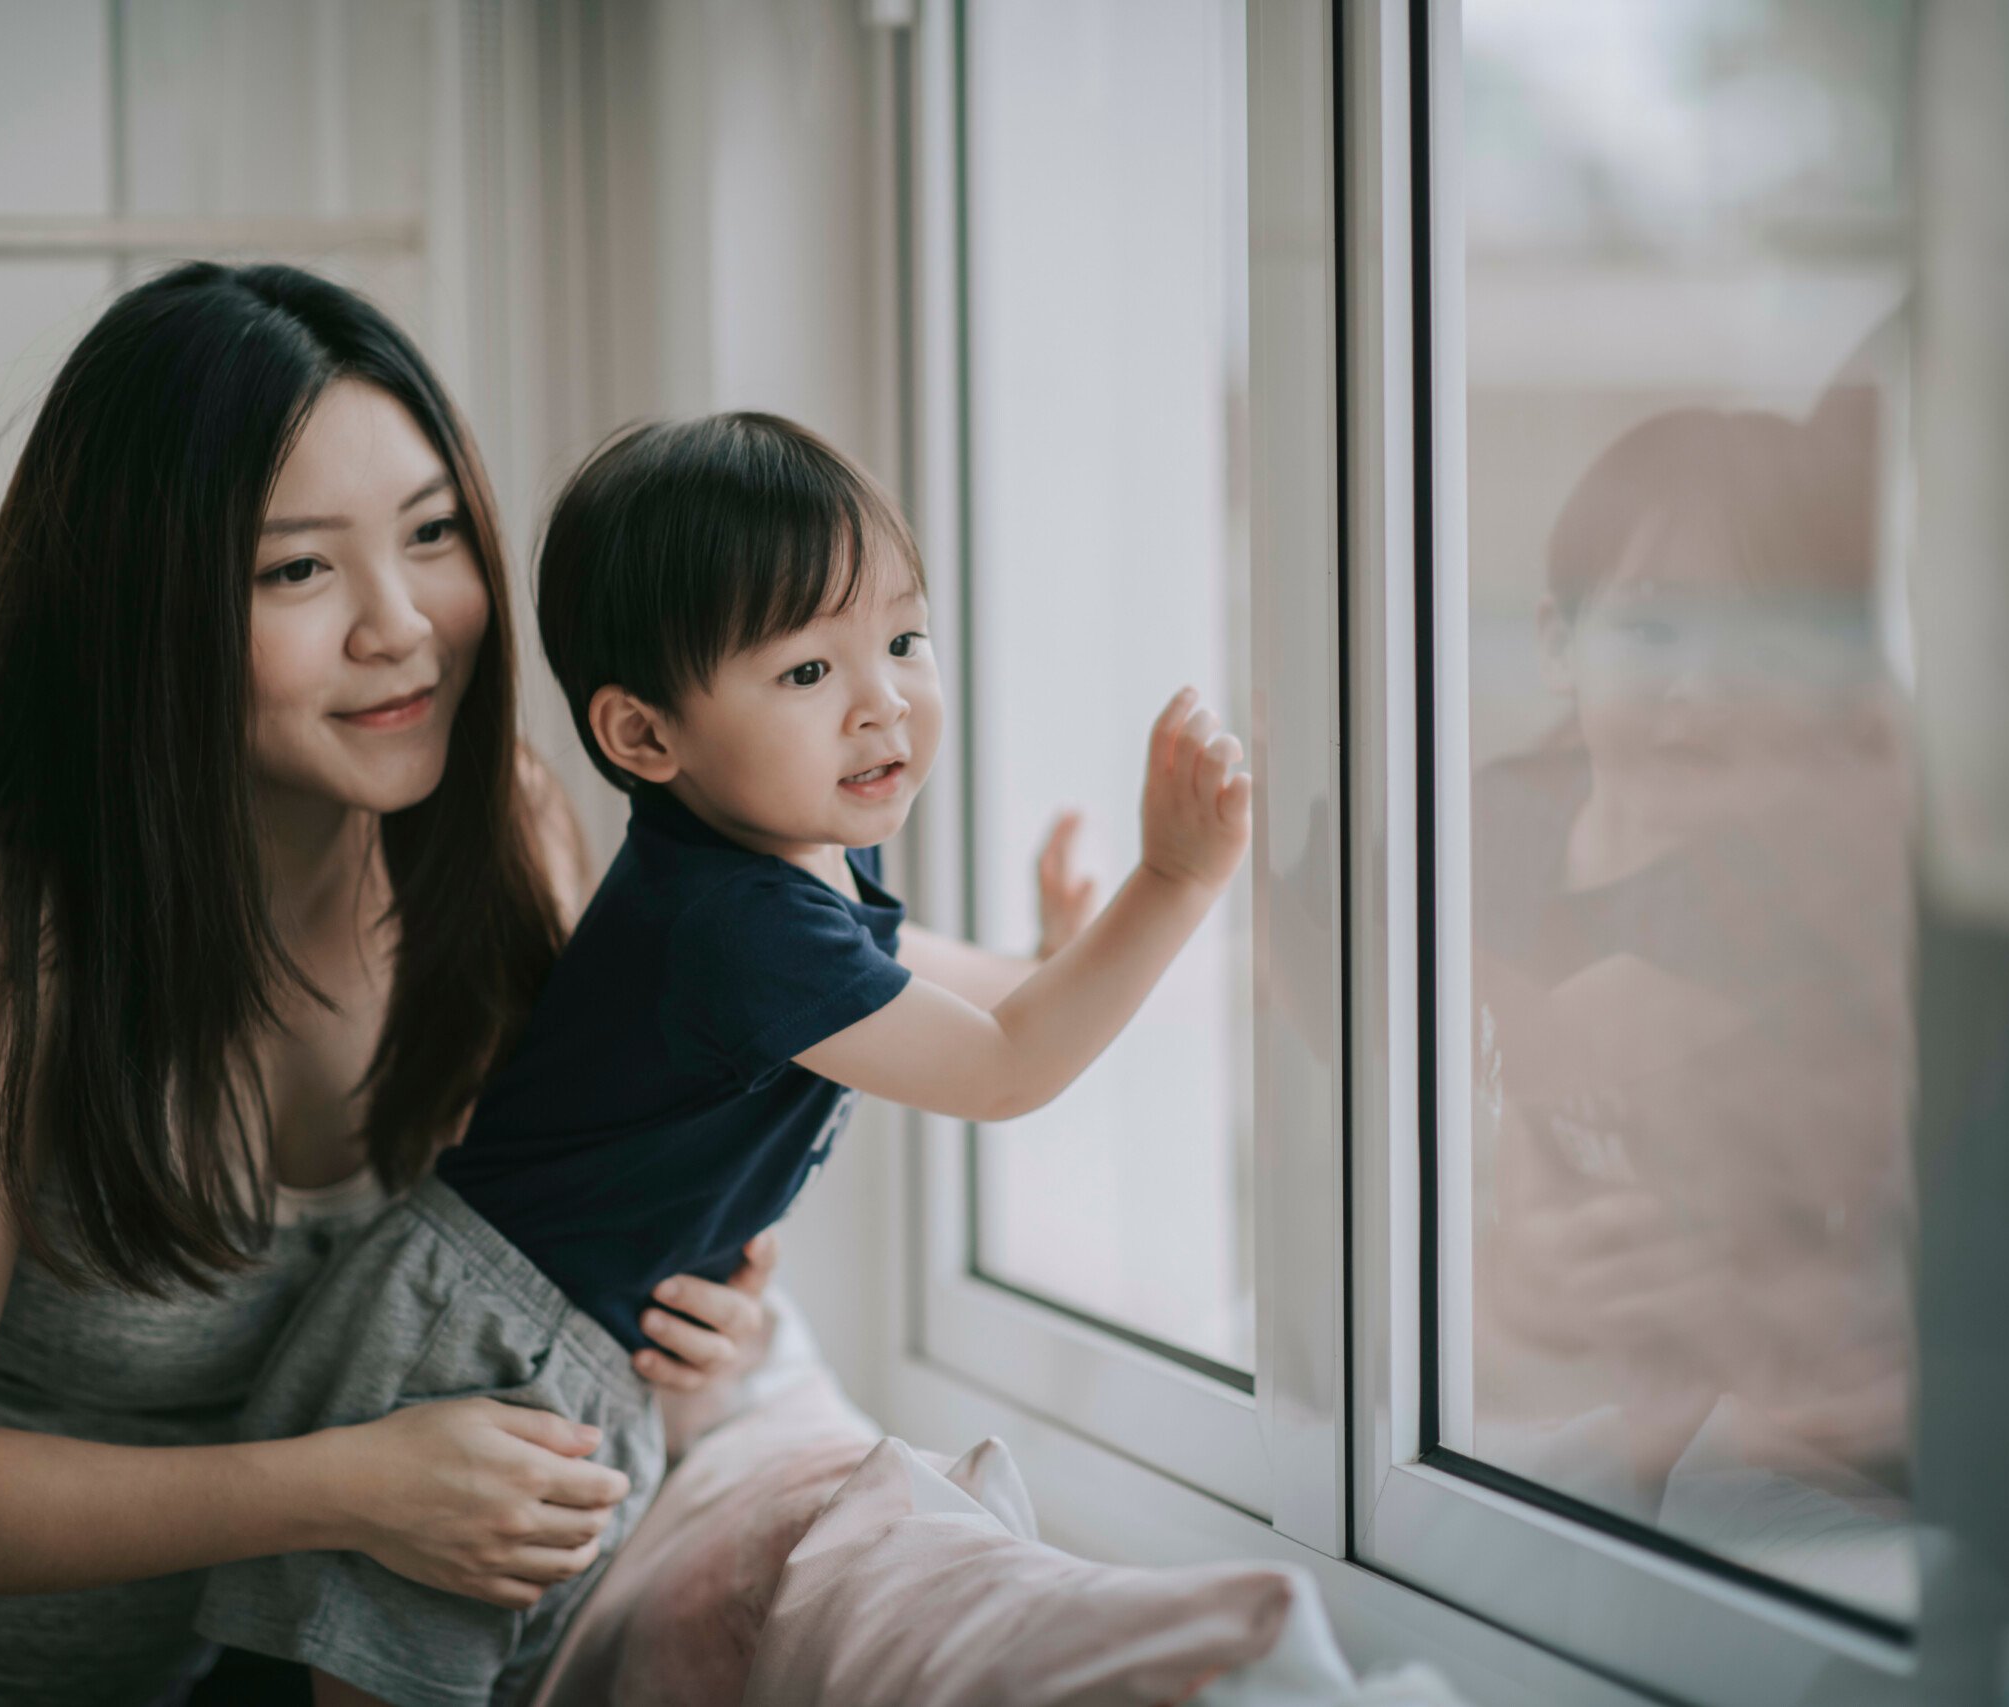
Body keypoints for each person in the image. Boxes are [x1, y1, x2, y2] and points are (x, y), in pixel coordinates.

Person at [0, 263, 780, 1707]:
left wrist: (691, 1322)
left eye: (433, 533)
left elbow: (548, 1234)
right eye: (294, 567)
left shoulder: (504, 836)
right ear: (144, 607)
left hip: (187, 1656)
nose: (403, 625)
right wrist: (344, 1487)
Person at [195, 412, 1254, 1707]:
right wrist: (1176, 878)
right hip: (484, 1344)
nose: (885, 702)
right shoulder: (731, 922)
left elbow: (953, 992)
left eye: (904, 639)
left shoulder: (786, 854)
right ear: (645, 736)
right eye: (808, 670)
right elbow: (1004, 1069)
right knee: (395, 1675)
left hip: (560, 1330)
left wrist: (1059, 950)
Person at [1469, 399, 1916, 1604]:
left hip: (1843, 1465)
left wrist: (1762, 1322)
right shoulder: (1508, 842)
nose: (1704, 687)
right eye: (1656, 629)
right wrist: (1535, 1269)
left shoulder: (1829, 912)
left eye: (1761, 642)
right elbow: (1531, 1174)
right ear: (1559, 642)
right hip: (1649, 1421)